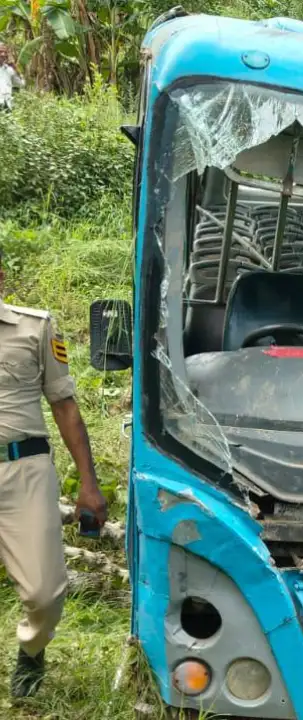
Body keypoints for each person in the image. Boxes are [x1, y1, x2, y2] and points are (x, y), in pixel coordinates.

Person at [0, 244, 107, 698]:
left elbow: (64, 406)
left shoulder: (34, 327)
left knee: (45, 593)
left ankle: (32, 649)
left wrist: (89, 485)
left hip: (23, 471)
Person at [0, 45, 23, 112]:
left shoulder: (9, 70)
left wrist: (15, 68)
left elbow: (21, 84)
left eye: (5, 52)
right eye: (0, 51)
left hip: (6, 107)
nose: (3, 54)